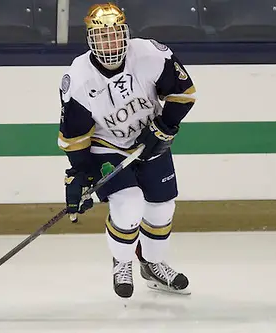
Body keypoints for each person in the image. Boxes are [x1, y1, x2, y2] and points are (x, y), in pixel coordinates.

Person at [58, 2, 196, 298]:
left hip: (151, 138)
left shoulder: (149, 54)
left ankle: (153, 265)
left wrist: (163, 128)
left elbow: (184, 94)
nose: (111, 43)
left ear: (126, 34)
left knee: (162, 209)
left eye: (115, 35)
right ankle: (121, 262)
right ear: (91, 40)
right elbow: (75, 135)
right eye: (102, 37)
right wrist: (79, 174)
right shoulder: (79, 78)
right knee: (130, 205)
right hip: (107, 146)